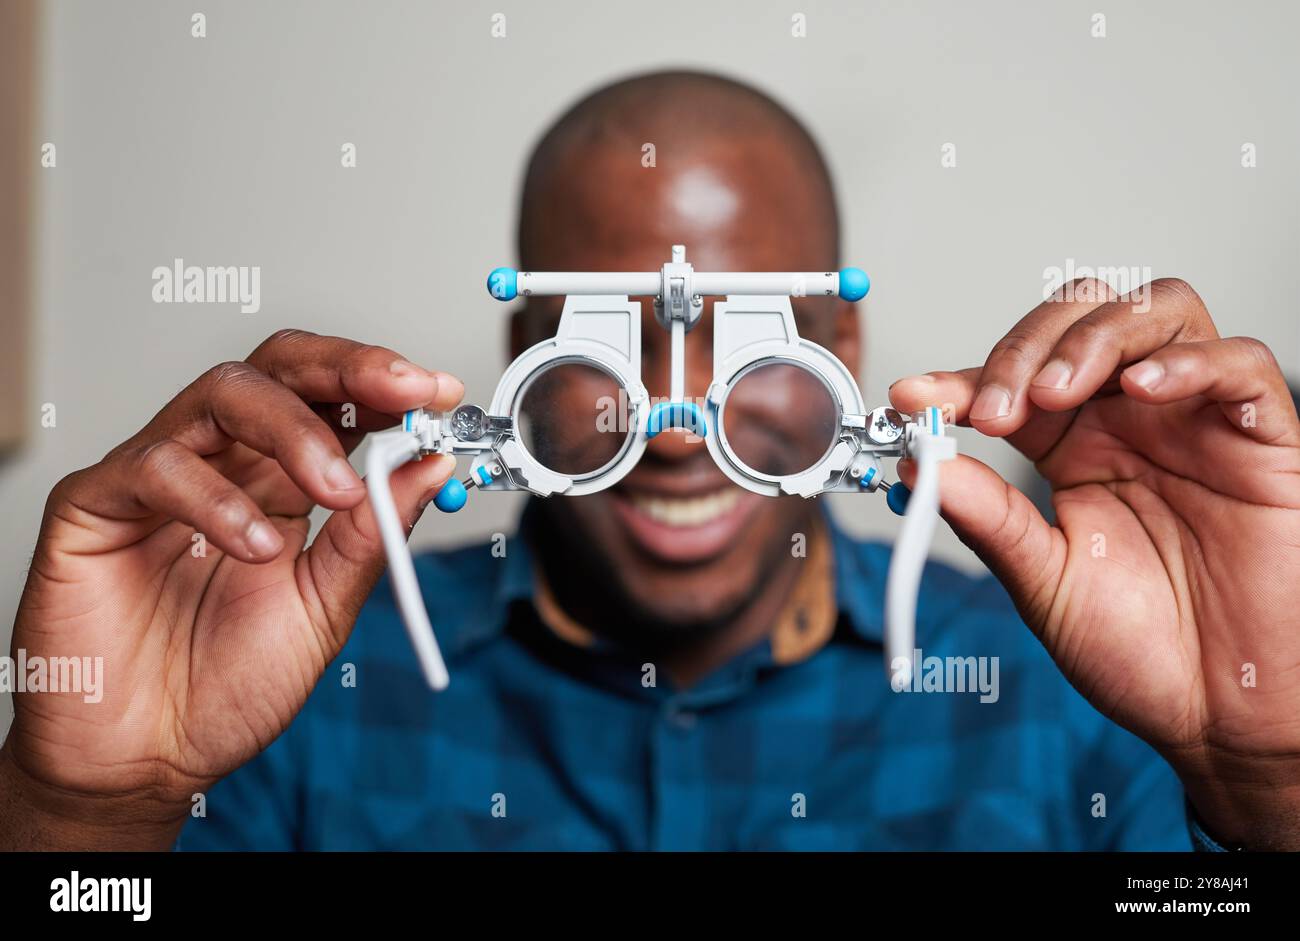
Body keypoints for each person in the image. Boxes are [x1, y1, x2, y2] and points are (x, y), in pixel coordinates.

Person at [2, 71, 1298, 850]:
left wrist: (1268, 780)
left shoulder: (1067, 688)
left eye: (743, 344)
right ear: (523, 354)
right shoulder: (295, 681)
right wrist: (86, 812)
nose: (677, 424)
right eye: (612, 347)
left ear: (843, 347)